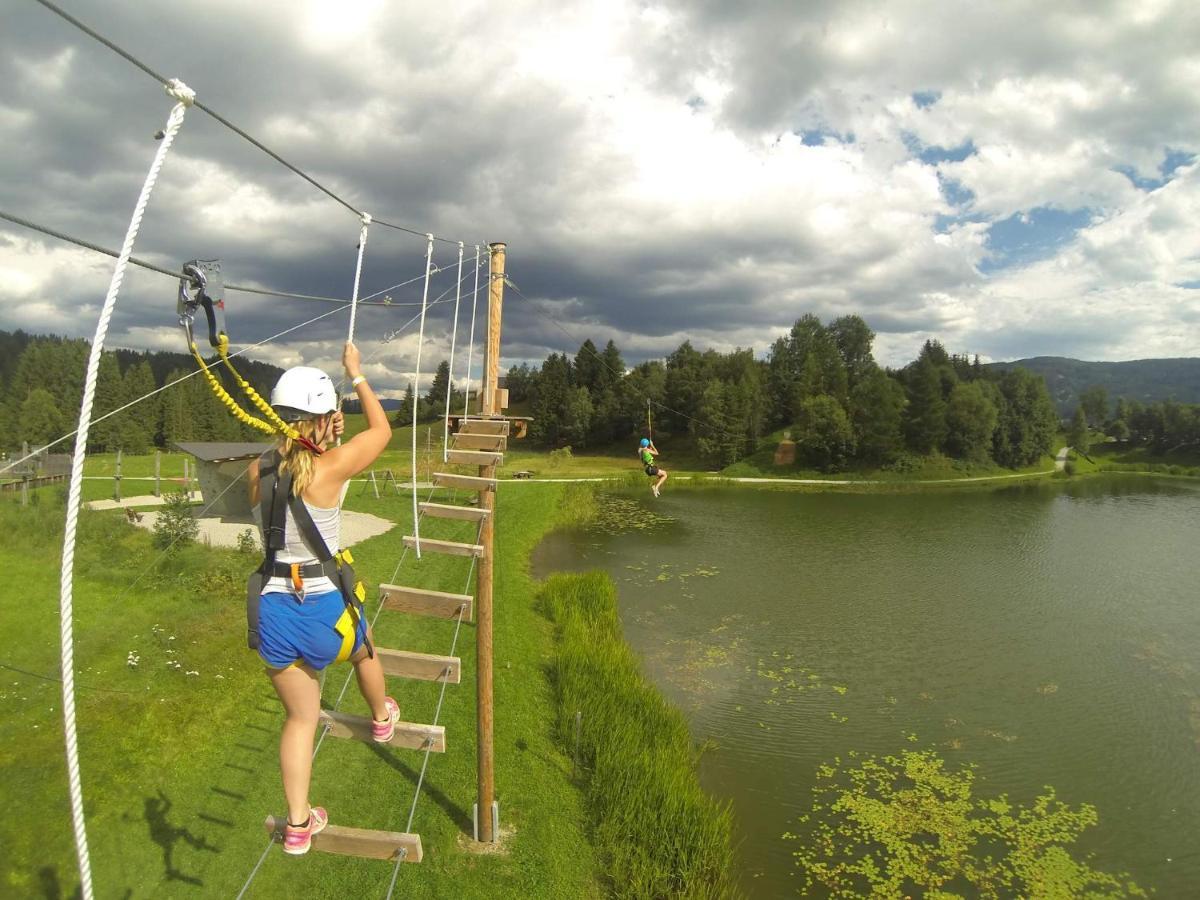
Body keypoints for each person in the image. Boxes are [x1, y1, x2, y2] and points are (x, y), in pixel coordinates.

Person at [246, 342, 394, 856]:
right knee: (364, 648)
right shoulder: (331, 468)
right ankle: (381, 718)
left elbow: (282, 485)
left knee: (300, 719)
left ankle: (298, 825)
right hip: (323, 606)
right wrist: (355, 376)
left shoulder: (258, 468)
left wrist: (322, 437)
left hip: (273, 608)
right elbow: (382, 432)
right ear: (323, 417)